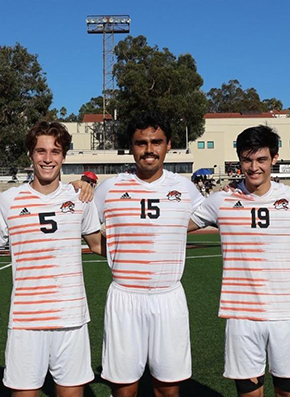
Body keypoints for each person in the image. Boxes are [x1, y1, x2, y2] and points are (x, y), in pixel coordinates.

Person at [189, 125, 290, 397]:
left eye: (261, 159)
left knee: (289, 392)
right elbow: (173, 223)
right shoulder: (221, 200)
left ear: (275, 158)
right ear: (239, 160)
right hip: (241, 316)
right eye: (247, 159)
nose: (254, 167)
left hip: (285, 314)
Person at [94, 112, 205, 397]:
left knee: (168, 387)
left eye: (156, 142)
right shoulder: (109, 188)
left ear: (168, 145)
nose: (149, 149)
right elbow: (86, 225)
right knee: (123, 386)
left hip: (168, 296)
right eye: (141, 143)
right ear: (131, 147)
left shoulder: (185, 188)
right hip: (124, 296)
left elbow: (208, 215)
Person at [0, 120, 103, 397]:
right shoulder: (8, 200)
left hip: (71, 318)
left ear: (64, 156)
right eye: (40, 151)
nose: (47, 158)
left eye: (55, 151)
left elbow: (98, 245)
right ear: (30, 155)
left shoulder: (80, 198)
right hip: (25, 320)